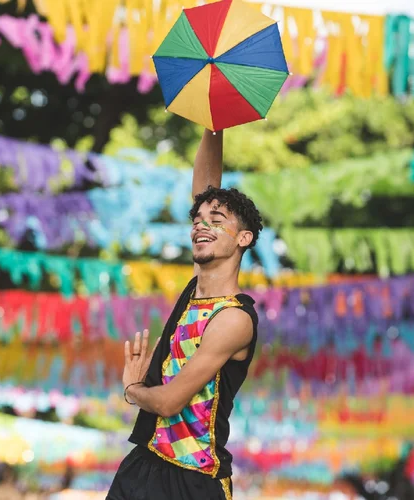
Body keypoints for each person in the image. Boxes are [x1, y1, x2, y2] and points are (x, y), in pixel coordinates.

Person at [106, 129, 263, 500]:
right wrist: (215, 120)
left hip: (193, 481)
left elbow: (168, 402)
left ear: (243, 238)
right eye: (197, 219)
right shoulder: (197, 291)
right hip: (145, 463)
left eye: (216, 219)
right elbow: (206, 186)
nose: (200, 225)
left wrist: (133, 390)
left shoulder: (233, 318)